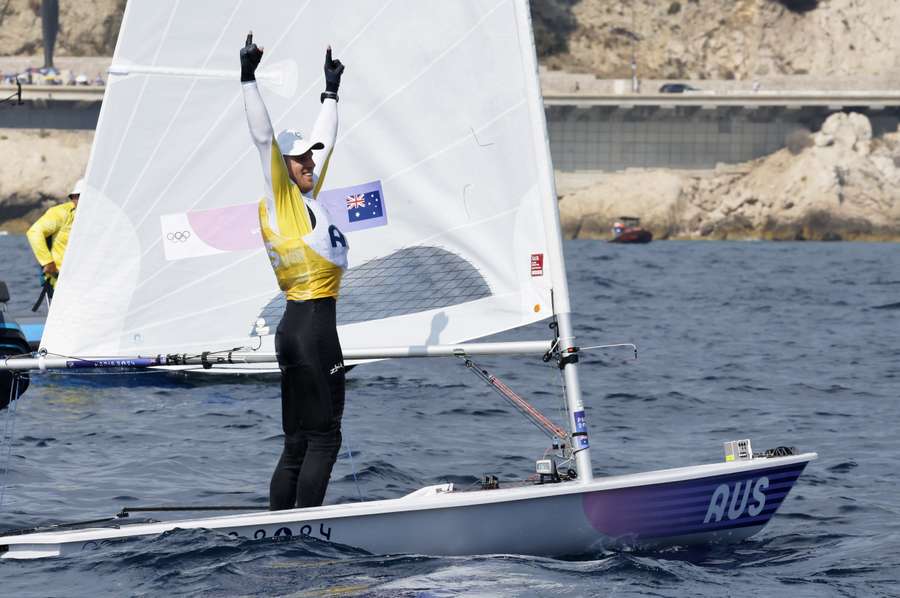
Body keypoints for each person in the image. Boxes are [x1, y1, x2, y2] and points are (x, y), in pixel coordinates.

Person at [240, 33, 349, 510]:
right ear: (283, 169)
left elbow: (324, 145)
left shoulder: (304, 197)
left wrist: (331, 92)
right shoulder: (283, 199)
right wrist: (249, 79)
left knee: (301, 440)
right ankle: (306, 534)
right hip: (312, 329)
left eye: (310, 156)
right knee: (324, 439)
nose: (310, 162)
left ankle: (280, 533)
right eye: (301, 158)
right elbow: (264, 138)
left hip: (301, 328)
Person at [26, 177, 83, 297]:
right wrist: (48, 263)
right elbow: (34, 232)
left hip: (92, 280)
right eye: (76, 197)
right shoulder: (61, 213)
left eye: (82, 197)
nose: (78, 200)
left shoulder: (101, 218)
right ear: (73, 198)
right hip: (62, 281)